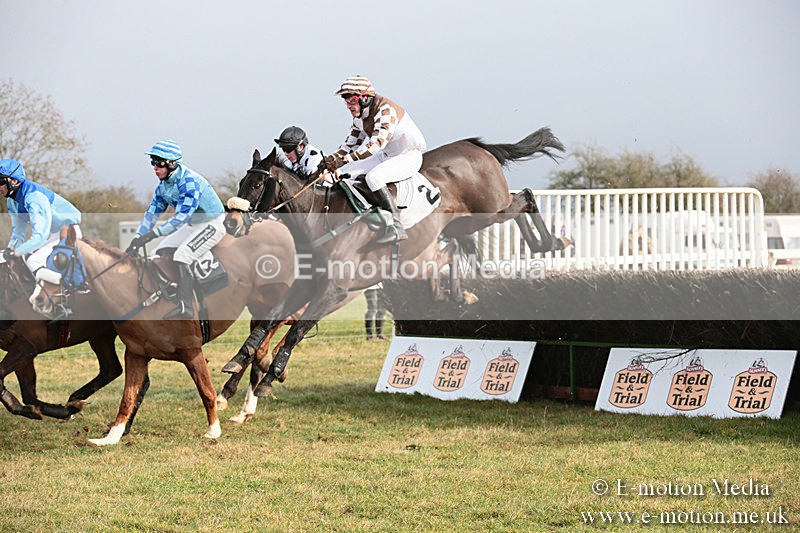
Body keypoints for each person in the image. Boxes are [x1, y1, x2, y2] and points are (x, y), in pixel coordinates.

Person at [126, 140, 226, 319]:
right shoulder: (163, 186)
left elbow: (181, 218)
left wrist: (153, 234)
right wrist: (138, 237)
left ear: (172, 164)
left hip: (212, 224)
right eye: (153, 162)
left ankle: (186, 307)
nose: (155, 167)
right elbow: (152, 214)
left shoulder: (189, 182)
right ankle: (169, 293)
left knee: (182, 256)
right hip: (192, 225)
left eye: (159, 163)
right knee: (156, 253)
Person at [323, 75, 427, 243]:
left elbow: (375, 145)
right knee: (344, 175)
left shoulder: (385, 111)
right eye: (346, 101)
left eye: (351, 100)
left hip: (408, 155)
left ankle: (396, 225)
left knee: (374, 178)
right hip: (386, 155)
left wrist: (344, 160)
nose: (348, 106)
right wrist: (331, 159)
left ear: (365, 98)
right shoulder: (359, 116)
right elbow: (350, 145)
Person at [0, 158, 82, 285]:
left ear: (14, 181)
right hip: (54, 235)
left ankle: (64, 289)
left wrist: (16, 252)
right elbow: (18, 234)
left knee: (33, 261)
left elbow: (40, 236)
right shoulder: (12, 201)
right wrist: (10, 249)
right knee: (19, 258)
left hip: (68, 234)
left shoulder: (34, 198)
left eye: (0, 181)